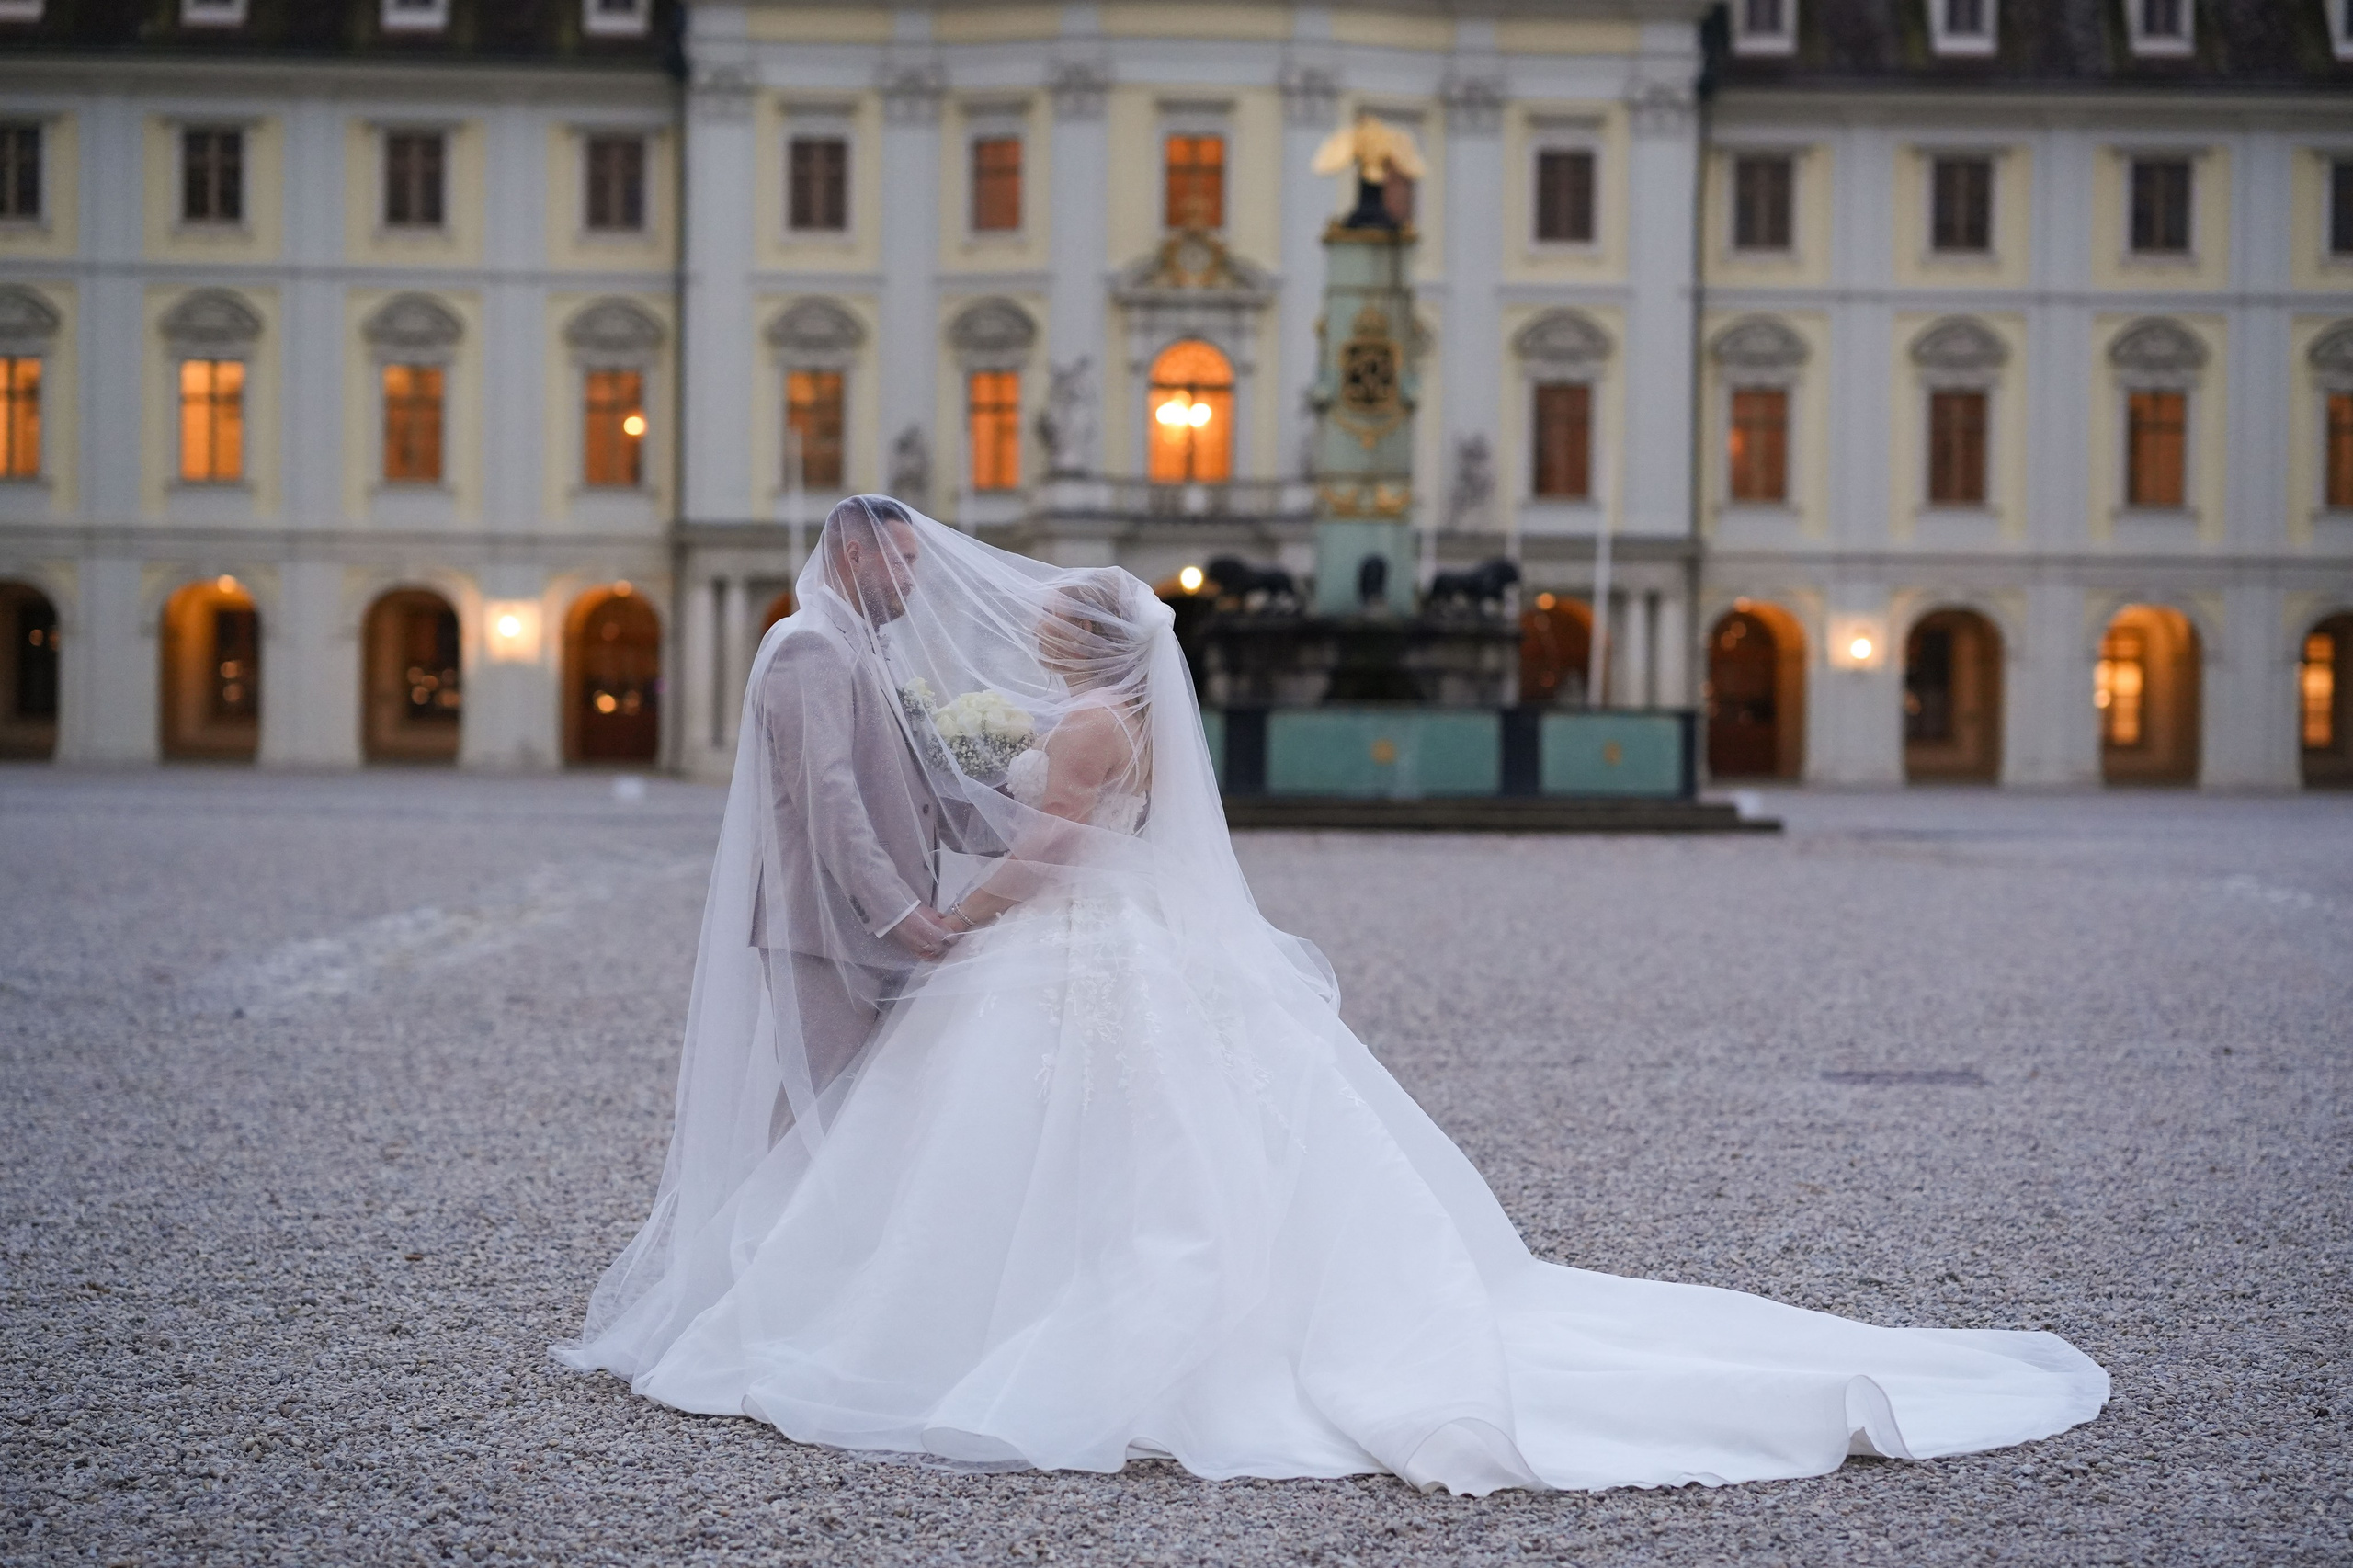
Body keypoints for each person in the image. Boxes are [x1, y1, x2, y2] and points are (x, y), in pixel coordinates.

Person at [556, 497, 2107, 1495]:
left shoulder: (1086, 728)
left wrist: (948, 911)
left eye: (1046, 618)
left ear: (1082, 644)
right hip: (1105, 952)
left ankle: (958, 1315)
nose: (1017, 618)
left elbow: (1038, 846)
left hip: (1062, 949)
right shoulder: (1093, 711)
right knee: (1108, 1144)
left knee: (1039, 1147)